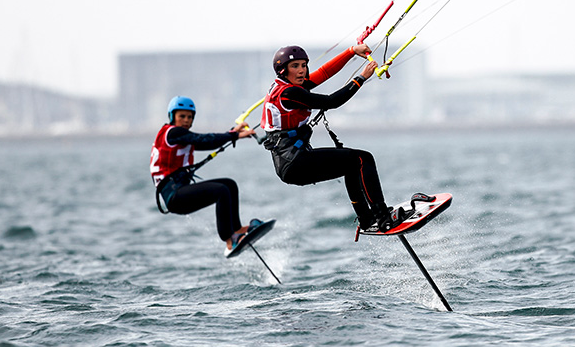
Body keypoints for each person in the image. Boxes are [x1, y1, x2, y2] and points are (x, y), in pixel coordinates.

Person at [260, 44, 397, 232]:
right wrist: (361, 77)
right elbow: (331, 102)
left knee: (351, 165)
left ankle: (367, 219)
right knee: (362, 159)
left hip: (290, 163)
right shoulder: (289, 93)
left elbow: (324, 72)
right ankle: (383, 217)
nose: (301, 71)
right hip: (295, 163)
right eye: (295, 66)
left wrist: (351, 52)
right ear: (283, 70)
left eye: (303, 65)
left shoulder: (289, 86)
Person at [150, 95, 258, 257]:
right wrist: (235, 136)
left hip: (181, 191)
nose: (186, 120)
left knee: (229, 184)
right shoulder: (173, 133)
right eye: (182, 116)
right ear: (172, 117)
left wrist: (231, 133)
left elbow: (207, 141)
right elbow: (205, 140)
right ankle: (230, 240)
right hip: (174, 196)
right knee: (221, 191)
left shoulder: (181, 137)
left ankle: (237, 230)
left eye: (189, 117)